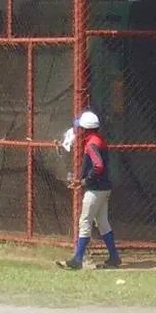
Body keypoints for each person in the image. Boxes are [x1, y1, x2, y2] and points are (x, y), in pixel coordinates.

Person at [57, 111, 122, 270]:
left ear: (86, 129)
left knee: (85, 221)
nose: (79, 130)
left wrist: (85, 181)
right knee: (102, 223)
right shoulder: (98, 140)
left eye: (81, 128)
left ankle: (77, 260)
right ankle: (114, 257)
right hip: (103, 188)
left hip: (96, 190)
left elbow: (98, 166)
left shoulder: (91, 143)